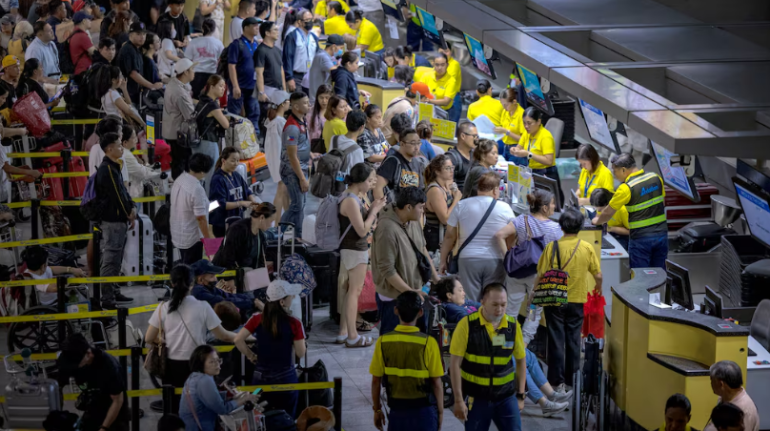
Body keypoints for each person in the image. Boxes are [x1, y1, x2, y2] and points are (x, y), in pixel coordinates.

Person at [436, 276, 572, 417]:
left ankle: (551, 394)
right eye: (460, 290)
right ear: (449, 295)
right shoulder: (452, 308)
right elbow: (473, 320)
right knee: (513, 359)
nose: (464, 293)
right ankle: (544, 403)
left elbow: (483, 307)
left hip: (493, 339)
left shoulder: (466, 304)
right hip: (479, 347)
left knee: (526, 355)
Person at [145, 264, 238, 413]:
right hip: (197, 366)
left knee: (174, 409)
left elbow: (149, 338)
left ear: (172, 283)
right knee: (198, 409)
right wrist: (246, 336)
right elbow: (224, 335)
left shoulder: (163, 307)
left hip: (171, 367)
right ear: (192, 283)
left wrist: (161, 341)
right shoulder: (203, 307)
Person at [535, 207, 602, 392]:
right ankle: (573, 379)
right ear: (580, 226)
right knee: (573, 339)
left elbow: (540, 274)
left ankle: (556, 382)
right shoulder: (586, 248)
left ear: (561, 226)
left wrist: (534, 294)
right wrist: (599, 288)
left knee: (556, 339)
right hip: (576, 300)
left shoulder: (552, 247)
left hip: (554, 299)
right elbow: (598, 275)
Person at [449, 283, 527, 431]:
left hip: (506, 397)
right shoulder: (467, 325)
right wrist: (458, 399)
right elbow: (454, 364)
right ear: (483, 302)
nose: (499, 310)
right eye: (495, 304)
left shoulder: (512, 326)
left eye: (503, 305)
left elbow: (521, 361)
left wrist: (521, 395)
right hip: (476, 398)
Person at [494, 189, 562, 341]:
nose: (554, 207)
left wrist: (508, 257)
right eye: (552, 204)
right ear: (544, 208)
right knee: (533, 311)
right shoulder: (555, 229)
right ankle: (523, 344)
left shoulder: (522, 220)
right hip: (539, 276)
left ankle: (504, 343)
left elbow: (499, 235)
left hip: (517, 271)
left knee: (511, 308)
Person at [370, 290, 443, 431]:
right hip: (425, 413)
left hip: (397, 413)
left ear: (396, 310)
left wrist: (377, 410)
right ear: (420, 312)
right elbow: (437, 383)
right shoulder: (428, 343)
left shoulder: (383, 341)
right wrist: (440, 413)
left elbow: (375, 381)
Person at [234, 279, 308, 417]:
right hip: (286, 378)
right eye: (290, 296)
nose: (292, 297)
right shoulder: (295, 322)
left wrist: (251, 356)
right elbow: (300, 352)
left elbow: (238, 339)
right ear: (281, 302)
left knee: (259, 416)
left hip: (259, 380)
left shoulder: (256, 319)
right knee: (287, 416)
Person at [371, 187, 437, 335]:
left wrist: (435, 277)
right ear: (408, 207)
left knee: (418, 340)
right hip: (394, 297)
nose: (422, 211)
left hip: (414, 293)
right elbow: (387, 270)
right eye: (420, 207)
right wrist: (411, 292)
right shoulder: (386, 229)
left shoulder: (413, 220)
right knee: (392, 341)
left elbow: (422, 249)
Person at [440, 171, 513, 301]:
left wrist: (442, 261)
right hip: (495, 260)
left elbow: (449, 237)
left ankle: (471, 321)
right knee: (492, 301)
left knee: (470, 302)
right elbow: (512, 236)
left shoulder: (461, 205)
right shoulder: (505, 208)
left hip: (468, 260)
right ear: (495, 190)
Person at [337, 163, 386, 347]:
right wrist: (374, 211)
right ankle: (352, 336)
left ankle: (344, 332)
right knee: (354, 292)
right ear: (361, 181)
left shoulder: (354, 196)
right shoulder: (350, 200)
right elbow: (361, 230)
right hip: (354, 248)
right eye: (370, 180)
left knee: (351, 290)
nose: (373, 184)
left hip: (355, 248)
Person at [592, 153, 668, 268]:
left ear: (623, 170)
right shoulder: (655, 177)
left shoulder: (626, 188)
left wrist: (597, 222)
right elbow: (662, 203)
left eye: (615, 171)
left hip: (641, 238)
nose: (614, 175)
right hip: (662, 235)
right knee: (659, 273)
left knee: (639, 276)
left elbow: (608, 212)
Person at [94, 132, 136, 309]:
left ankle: (114, 289)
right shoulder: (107, 168)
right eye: (119, 145)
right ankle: (108, 298)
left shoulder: (114, 166)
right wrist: (128, 211)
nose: (122, 148)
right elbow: (116, 195)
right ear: (109, 149)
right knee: (111, 258)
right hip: (112, 221)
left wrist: (132, 206)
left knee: (116, 257)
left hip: (119, 219)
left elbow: (124, 192)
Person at [57, 334, 129, 431]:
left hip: (113, 411)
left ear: (89, 354)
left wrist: (104, 428)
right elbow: (58, 385)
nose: (74, 367)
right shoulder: (70, 359)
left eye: (77, 363)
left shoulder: (109, 367)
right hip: (92, 408)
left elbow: (117, 401)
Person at [179, 345, 259, 430]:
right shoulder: (205, 380)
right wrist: (243, 399)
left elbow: (207, 397)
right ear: (201, 364)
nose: (217, 365)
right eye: (212, 362)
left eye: (218, 360)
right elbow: (222, 409)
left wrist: (229, 396)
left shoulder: (194, 376)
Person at [171, 153, 215, 264]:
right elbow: (201, 218)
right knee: (193, 270)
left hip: (178, 233)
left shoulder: (179, 180)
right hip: (192, 238)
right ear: (202, 172)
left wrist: (215, 205)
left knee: (185, 268)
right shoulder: (196, 188)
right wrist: (208, 240)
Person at [279, 91, 312, 238]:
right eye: (305, 103)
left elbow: (300, 145)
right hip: (293, 171)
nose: (309, 105)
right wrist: (302, 178)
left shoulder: (301, 120)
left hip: (301, 168)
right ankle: (279, 233)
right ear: (296, 106)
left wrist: (310, 155)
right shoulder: (292, 127)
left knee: (300, 206)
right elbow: (292, 156)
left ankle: (298, 236)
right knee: (297, 205)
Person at [511, 107, 561, 201]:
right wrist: (515, 150)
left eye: (529, 123)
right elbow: (519, 146)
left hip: (546, 173)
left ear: (538, 122)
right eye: (524, 123)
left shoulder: (545, 137)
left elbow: (549, 161)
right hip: (533, 171)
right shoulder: (527, 133)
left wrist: (529, 154)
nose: (526, 126)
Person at [209, 147, 258, 237]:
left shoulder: (236, 175)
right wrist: (241, 203)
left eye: (238, 160)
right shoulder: (218, 179)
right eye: (233, 161)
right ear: (224, 161)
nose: (236, 164)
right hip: (222, 224)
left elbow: (247, 191)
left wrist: (253, 203)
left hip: (237, 221)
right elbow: (221, 204)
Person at [193, 73, 229, 194]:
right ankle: (209, 207)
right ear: (211, 87)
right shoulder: (213, 105)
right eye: (220, 86)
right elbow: (226, 124)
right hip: (208, 143)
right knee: (210, 176)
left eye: (224, 87)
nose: (223, 89)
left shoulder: (202, 100)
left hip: (197, 142)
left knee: (199, 176)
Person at [213, 202, 276, 270]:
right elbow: (227, 257)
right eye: (271, 221)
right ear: (262, 217)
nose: (270, 225)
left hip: (245, 273)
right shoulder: (238, 229)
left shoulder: (261, 236)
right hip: (224, 273)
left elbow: (260, 262)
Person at [190, 260, 263, 318]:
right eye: (212, 276)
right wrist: (252, 303)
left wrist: (253, 300)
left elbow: (228, 296)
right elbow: (224, 303)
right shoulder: (198, 292)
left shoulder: (209, 287)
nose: (215, 279)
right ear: (201, 280)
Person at [163, 58, 197, 180]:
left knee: (178, 160)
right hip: (179, 133)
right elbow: (190, 115)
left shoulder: (174, 83)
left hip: (172, 130)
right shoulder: (180, 92)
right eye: (192, 69)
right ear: (186, 72)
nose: (194, 72)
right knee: (183, 161)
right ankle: (181, 188)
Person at [704, 361, 759, 431]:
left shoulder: (745, 411)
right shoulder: (723, 397)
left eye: (712, 380)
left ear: (721, 384)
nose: (711, 383)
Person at [373, 128, 426, 202]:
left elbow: (420, 190)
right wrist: (384, 210)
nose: (417, 147)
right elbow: (378, 188)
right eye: (413, 143)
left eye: (418, 143)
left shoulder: (417, 163)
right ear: (402, 144)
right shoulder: (392, 161)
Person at [227, 16, 260, 132]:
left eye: (257, 25)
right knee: (234, 117)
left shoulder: (256, 44)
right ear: (246, 28)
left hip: (253, 87)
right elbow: (231, 66)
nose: (257, 28)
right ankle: (232, 144)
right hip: (239, 87)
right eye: (254, 25)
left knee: (254, 116)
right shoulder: (237, 44)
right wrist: (235, 86)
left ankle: (254, 145)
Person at [423, 154, 461, 253]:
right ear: (437, 171)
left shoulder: (447, 186)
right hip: (435, 238)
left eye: (452, 167)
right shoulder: (435, 190)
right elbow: (445, 219)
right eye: (447, 168)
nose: (451, 170)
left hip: (446, 236)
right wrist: (456, 199)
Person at [118, 22, 162, 105]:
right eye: (138, 34)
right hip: (127, 95)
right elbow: (133, 74)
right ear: (130, 35)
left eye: (144, 34)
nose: (142, 37)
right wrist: (151, 86)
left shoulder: (136, 49)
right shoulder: (128, 49)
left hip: (134, 94)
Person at [255, 20, 286, 135]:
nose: (278, 32)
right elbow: (259, 72)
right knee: (267, 119)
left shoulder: (277, 50)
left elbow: (281, 70)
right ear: (267, 33)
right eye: (275, 30)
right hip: (268, 89)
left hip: (278, 89)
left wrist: (284, 89)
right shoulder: (261, 50)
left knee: (277, 119)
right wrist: (261, 91)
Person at [264, 91, 291, 220]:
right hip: (280, 160)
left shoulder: (272, 120)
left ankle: (286, 220)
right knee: (281, 190)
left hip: (274, 159)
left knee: (284, 191)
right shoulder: (281, 122)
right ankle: (276, 224)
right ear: (283, 104)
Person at [282, 8, 318, 93]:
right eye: (307, 20)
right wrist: (289, 78)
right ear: (299, 22)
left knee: (310, 103)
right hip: (297, 76)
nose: (310, 22)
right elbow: (288, 58)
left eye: (311, 19)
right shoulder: (292, 36)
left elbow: (318, 55)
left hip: (311, 76)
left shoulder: (313, 37)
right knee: (299, 103)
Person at [121, 124, 162, 198]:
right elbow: (143, 173)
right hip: (132, 193)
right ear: (125, 143)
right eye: (133, 138)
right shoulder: (127, 155)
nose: (136, 141)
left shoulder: (126, 153)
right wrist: (160, 174)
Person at [417, 53, 457, 118]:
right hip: (428, 109)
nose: (439, 68)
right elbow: (419, 92)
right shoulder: (426, 76)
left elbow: (446, 101)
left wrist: (430, 101)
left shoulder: (451, 81)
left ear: (447, 65)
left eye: (442, 65)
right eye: (437, 65)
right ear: (433, 64)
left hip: (444, 112)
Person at [307, 34, 341, 106]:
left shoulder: (326, 56)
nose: (341, 51)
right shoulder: (323, 56)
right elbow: (333, 70)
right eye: (340, 48)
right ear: (333, 47)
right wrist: (342, 64)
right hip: (318, 100)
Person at [495, 87, 525, 163]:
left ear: (514, 102)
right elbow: (503, 132)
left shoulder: (522, 115)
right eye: (502, 104)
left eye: (506, 105)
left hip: (517, 150)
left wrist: (507, 132)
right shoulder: (505, 112)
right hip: (506, 148)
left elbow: (523, 139)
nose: (504, 107)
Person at [445, 121, 477, 193]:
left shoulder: (475, 155)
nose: (476, 140)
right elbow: (446, 185)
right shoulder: (451, 158)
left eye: (477, 136)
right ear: (463, 136)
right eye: (474, 136)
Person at [437, 43, 462, 122]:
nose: (444, 54)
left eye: (446, 51)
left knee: (451, 126)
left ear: (451, 52)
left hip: (453, 98)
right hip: (441, 97)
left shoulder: (454, 65)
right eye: (441, 52)